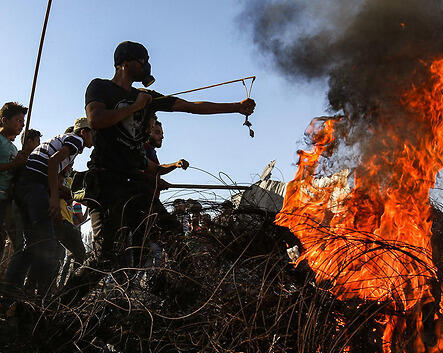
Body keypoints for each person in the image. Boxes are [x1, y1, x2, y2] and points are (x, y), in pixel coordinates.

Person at [60, 41, 255, 304]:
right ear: (126, 62)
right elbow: (97, 120)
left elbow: (191, 106)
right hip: (107, 181)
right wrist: (134, 107)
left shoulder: (148, 98)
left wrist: (235, 107)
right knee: (105, 257)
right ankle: (56, 308)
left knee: (173, 235)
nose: (146, 65)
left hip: (136, 184)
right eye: (143, 60)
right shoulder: (100, 87)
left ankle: (192, 300)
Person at [4, 118, 93, 296]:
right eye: (95, 134)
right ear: (84, 132)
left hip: (27, 186)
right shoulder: (76, 140)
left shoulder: (66, 142)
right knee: (49, 245)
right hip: (34, 187)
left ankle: (10, 294)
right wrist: (53, 198)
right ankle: (42, 297)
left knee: (33, 244)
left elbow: (49, 168)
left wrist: (62, 192)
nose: (96, 139)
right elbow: (52, 163)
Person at [0, 103, 28, 263]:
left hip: (5, 200)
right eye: (18, 120)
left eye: (23, 121)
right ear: (4, 120)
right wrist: (14, 165)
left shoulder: (14, 148)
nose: (22, 124)